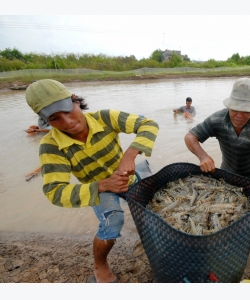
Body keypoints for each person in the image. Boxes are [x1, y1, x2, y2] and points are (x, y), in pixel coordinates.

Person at [25, 79, 159, 283]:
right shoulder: (51, 146)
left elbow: (148, 124)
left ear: (75, 100)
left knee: (155, 207)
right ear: (46, 121)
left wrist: (130, 155)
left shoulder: (105, 117)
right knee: (113, 222)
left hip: (126, 176)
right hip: (97, 188)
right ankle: (100, 265)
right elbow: (55, 192)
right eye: (55, 118)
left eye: (67, 110)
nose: (67, 122)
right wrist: (104, 185)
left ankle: (149, 241)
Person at [184, 77, 250, 180]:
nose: (239, 116)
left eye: (246, 111)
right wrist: (203, 157)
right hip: (226, 171)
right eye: (235, 109)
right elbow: (190, 136)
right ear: (229, 106)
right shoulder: (218, 119)